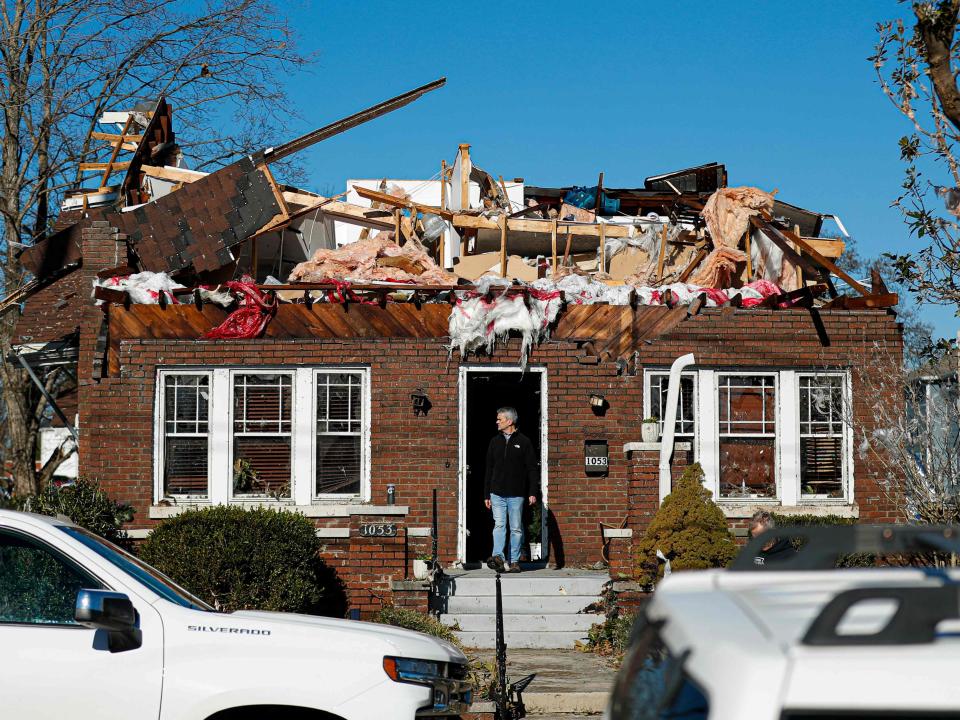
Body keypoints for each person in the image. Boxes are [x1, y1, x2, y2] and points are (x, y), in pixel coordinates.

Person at [484, 407, 538, 573]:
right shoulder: (494, 441)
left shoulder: (524, 442)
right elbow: (489, 468)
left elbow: (531, 469)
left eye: (500, 419)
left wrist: (532, 491)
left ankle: (514, 561)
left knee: (516, 528)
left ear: (509, 421)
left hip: (516, 493)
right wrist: (487, 493)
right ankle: (498, 558)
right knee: (499, 525)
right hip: (497, 493)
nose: (497, 421)